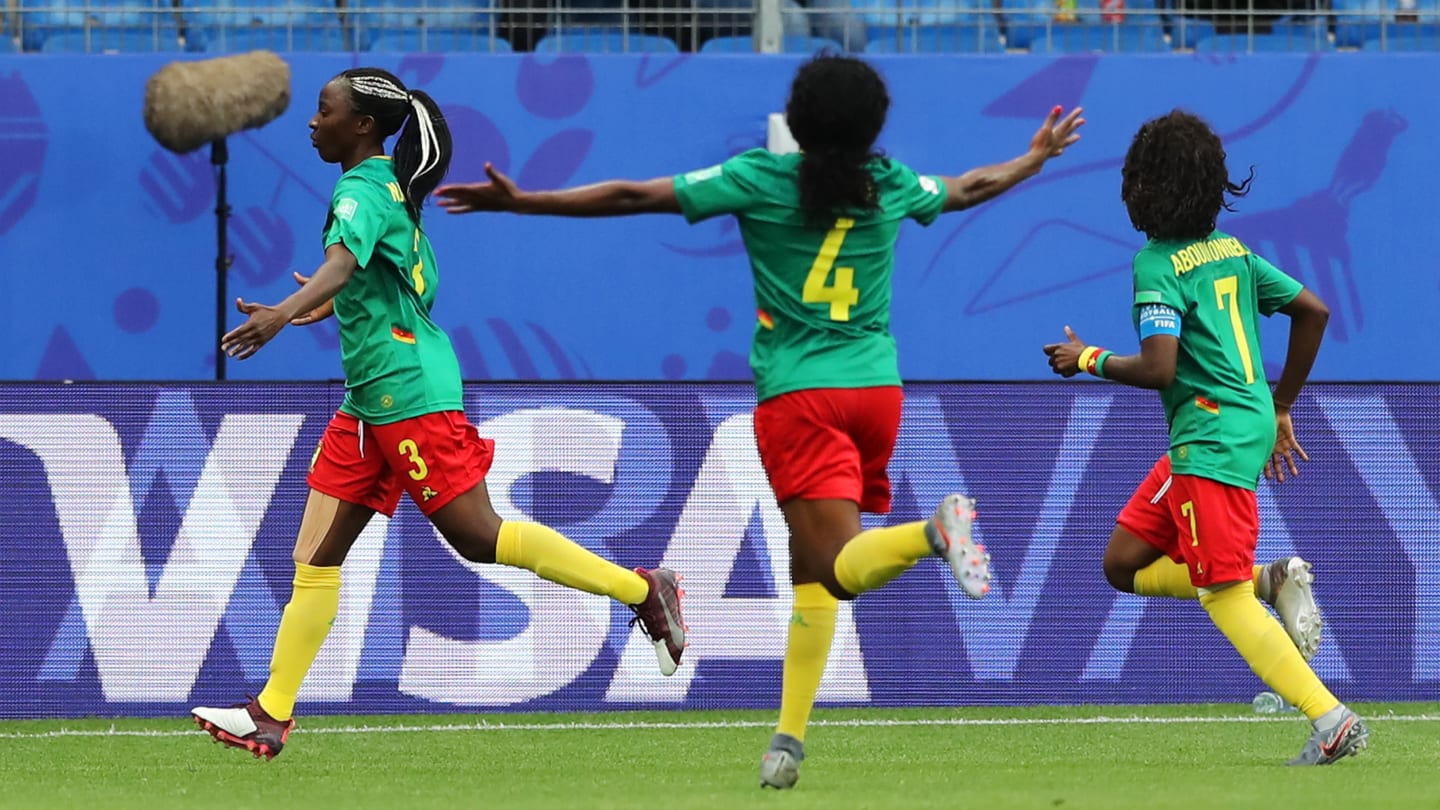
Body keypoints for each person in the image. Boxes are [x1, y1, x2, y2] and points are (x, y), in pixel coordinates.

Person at [435, 54, 1084, 788]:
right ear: (873, 123)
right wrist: (1033, 158)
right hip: (876, 392)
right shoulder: (891, 182)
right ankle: (788, 741)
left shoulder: (760, 178)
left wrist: (526, 201)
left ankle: (932, 532)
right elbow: (970, 186)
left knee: (836, 566)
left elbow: (633, 195)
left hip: (801, 398)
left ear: (798, 121)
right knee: (812, 571)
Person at [189, 67, 687, 760]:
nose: (312, 121)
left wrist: (284, 312)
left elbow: (342, 265)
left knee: (478, 536)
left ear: (362, 125)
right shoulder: (394, 189)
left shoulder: (360, 189)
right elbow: (392, 285)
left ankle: (641, 589)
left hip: (406, 395)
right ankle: (271, 713)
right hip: (370, 400)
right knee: (315, 555)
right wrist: (329, 304)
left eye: (324, 110)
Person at [1043, 109, 1367, 766]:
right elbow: (1314, 310)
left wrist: (1087, 358)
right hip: (1234, 424)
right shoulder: (1233, 252)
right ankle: (1268, 580)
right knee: (1122, 564)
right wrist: (1281, 405)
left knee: (1223, 596)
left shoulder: (1156, 265)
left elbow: (1158, 368)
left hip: (1210, 440)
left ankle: (1331, 719)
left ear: (1144, 189)